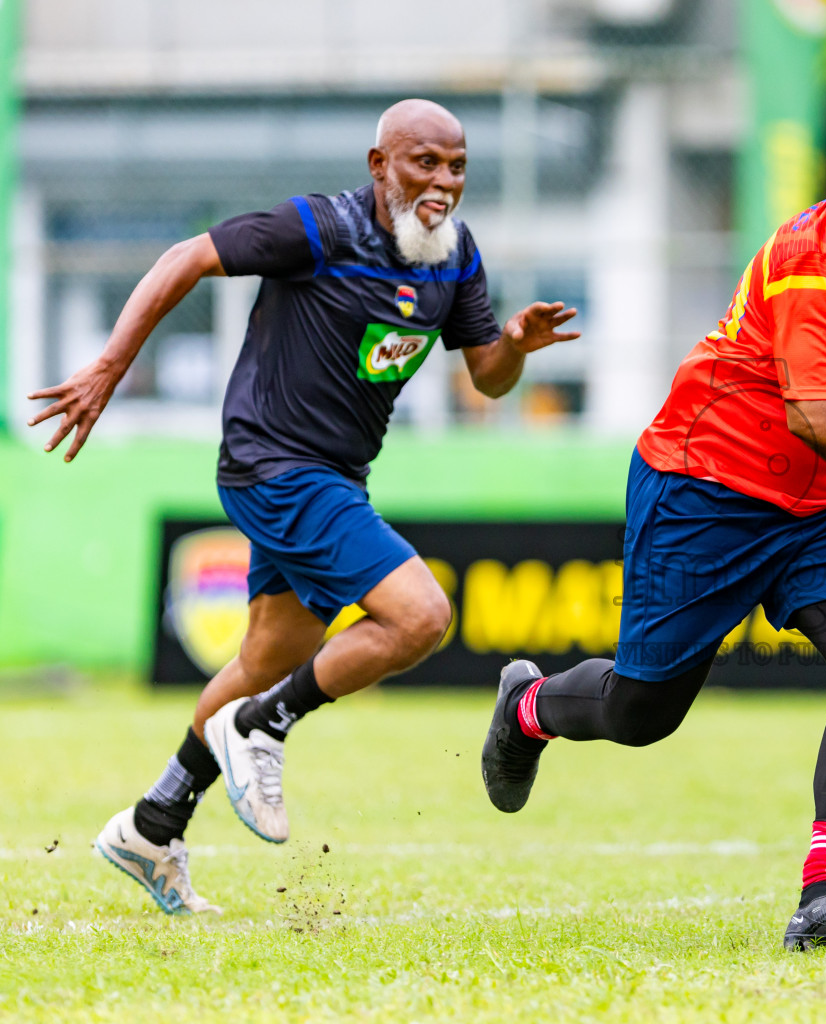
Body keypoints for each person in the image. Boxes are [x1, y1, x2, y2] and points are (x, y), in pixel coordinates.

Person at [28, 99, 580, 915]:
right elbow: (185, 257)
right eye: (424, 163)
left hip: (335, 479)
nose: (443, 183)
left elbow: (485, 376)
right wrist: (110, 367)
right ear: (378, 165)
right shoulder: (318, 229)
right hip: (273, 467)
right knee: (421, 616)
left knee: (265, 655)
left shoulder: (454, 256)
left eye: (456, 166)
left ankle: (153, 823)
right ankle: (265, 726)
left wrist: (515, 350)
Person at [479, 116, 826, 950]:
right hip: (705, 492)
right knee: (643, 711)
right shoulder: (812, 267)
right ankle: (528, 707)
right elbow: (821, 415)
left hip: (822, 508)